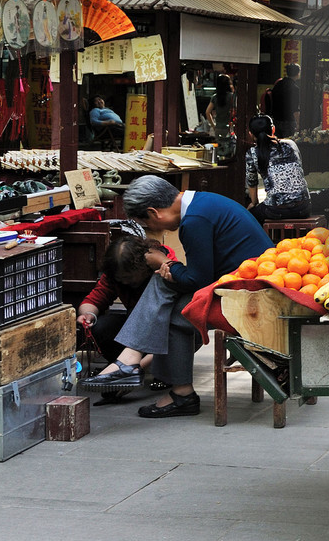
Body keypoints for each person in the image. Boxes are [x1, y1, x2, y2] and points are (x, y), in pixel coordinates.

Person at [84, 175, 272, 418]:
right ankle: (146, 373)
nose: (151, 229)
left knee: (170, 301)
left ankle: (152, 376)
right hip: (243, 286)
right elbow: (199, 277)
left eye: (146, 222)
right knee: (170, 301)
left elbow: (196, 280)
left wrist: (164, 262)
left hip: (249, 298)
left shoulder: (194, 221)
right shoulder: (202, 204)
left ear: (154, 212)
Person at [75, 231, 156, 402]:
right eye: (121, 278)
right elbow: (94, 299)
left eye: (128, 278)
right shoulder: (116, 275)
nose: (124, 282)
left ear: (142, 267)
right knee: (101, 327)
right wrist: (88, 315)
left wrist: (135, 369)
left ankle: (128, 369)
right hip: (136, 330)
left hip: (164, 331)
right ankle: (122, 366)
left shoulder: (160, 269)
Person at [245, 114, 312, 221]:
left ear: (250, 134)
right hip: (303, 208)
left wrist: (254, 204)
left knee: (248, 216)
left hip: (275, 210)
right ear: (273, 129)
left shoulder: (252, 153)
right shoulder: (291, 144)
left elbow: (252, 182)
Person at [268, 64, 302, 136]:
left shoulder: (278, 84)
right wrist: (298, 123)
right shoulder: (295, 88)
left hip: (276, 120)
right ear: (297, 73)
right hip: (288, 121)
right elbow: (295, 109)